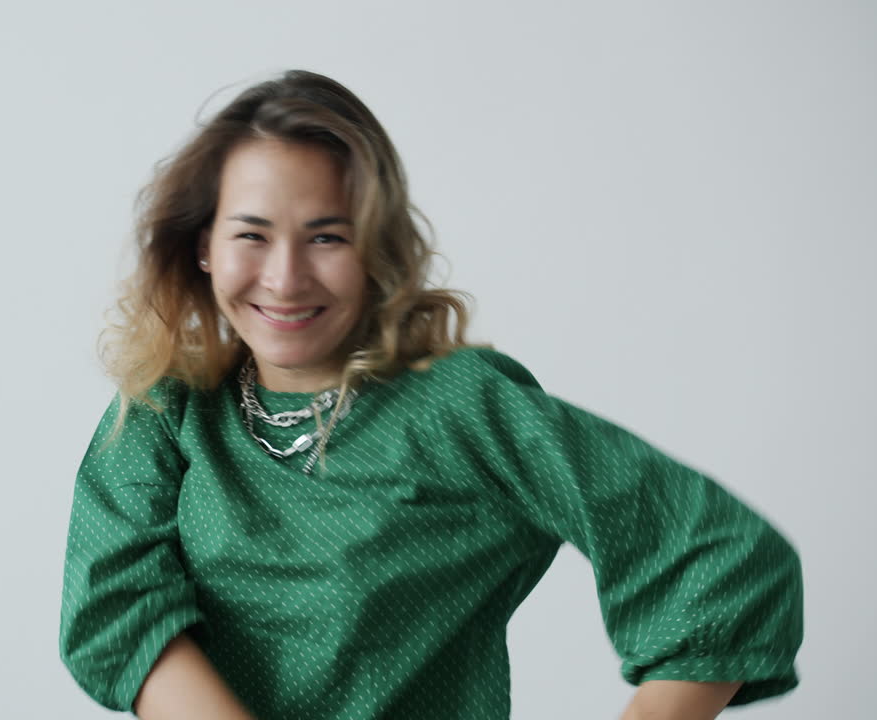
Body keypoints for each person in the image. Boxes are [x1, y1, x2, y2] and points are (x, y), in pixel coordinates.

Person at [58, 69, 803, 720]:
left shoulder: (462, 407)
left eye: (327, 237)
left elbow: (722, 554)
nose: (284, 278)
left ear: (376, 247)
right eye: (251, 235)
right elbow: (117, 613)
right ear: (202, 245)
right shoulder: (166, 408)